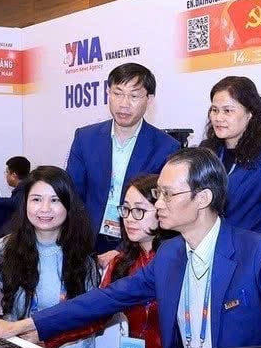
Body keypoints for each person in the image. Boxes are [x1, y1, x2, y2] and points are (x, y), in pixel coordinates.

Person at [0, 148, 261, 348]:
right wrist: (22, 325)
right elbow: (104, 299)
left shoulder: (257, 252)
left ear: (203, 198)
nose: (158, 204)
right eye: (158, 194)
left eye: (167, 194)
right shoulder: (170, 255)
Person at [45, 174, 170, 348]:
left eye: (139, 210)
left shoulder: (179, 262)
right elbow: (94, 316)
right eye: (126, 209)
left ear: (162, 210)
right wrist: (42, 334)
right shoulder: (121, 262)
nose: (129, 218)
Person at [0, 166, 99, 348]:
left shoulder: (83, 257)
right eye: (36, 199)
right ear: (25, 203)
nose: (45, 208)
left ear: (68, 205)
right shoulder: (4, 248)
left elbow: (86, 326)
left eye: (55, 200)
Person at [66, 63, 179, 256]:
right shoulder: (85, 138)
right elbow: (73, 195)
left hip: (137, 245)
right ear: (108, 93)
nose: (124, 104)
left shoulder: (166, 147)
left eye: (134, 96)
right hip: (87, 240)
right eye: (117, 93)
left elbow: (162, 207)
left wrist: (122, 251)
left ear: (149, 99)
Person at [200, 76, 261, 252]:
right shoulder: (205, 151)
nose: (218, 117)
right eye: (214, 110)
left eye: (228, 111)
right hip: (205, 253)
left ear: (249, 114)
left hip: (245, 256)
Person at [0, 156, 30, 242]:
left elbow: (15, 202)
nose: (6, 175)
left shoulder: (24, 189)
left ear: (14, 175)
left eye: (7, 172)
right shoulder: (27, 186)